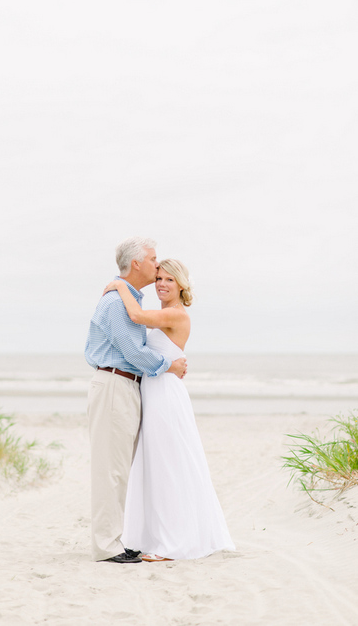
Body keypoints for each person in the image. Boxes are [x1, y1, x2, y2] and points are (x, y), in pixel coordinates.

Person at [104, 258, 235, 561]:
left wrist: (118, 285)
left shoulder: (176, 315)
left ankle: (172, 544)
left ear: (181, 286)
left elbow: (135, 316)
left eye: (169, 280)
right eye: (159, 278)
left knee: (167, 466)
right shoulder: (164, 313)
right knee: (153, 465)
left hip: (165, 396)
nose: (162, 283)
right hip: (153, 392)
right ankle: (154, 537)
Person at [85, 237, 187, 564]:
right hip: (115, 384)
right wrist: (168, 366)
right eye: (154, 260)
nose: (158, 267)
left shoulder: (126, 297)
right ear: (137, 264)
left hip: (125, 386)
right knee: (111, 470)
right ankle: (107, 546)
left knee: (119, 469)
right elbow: (132, 352)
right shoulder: (117, 302)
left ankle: (114, 540)